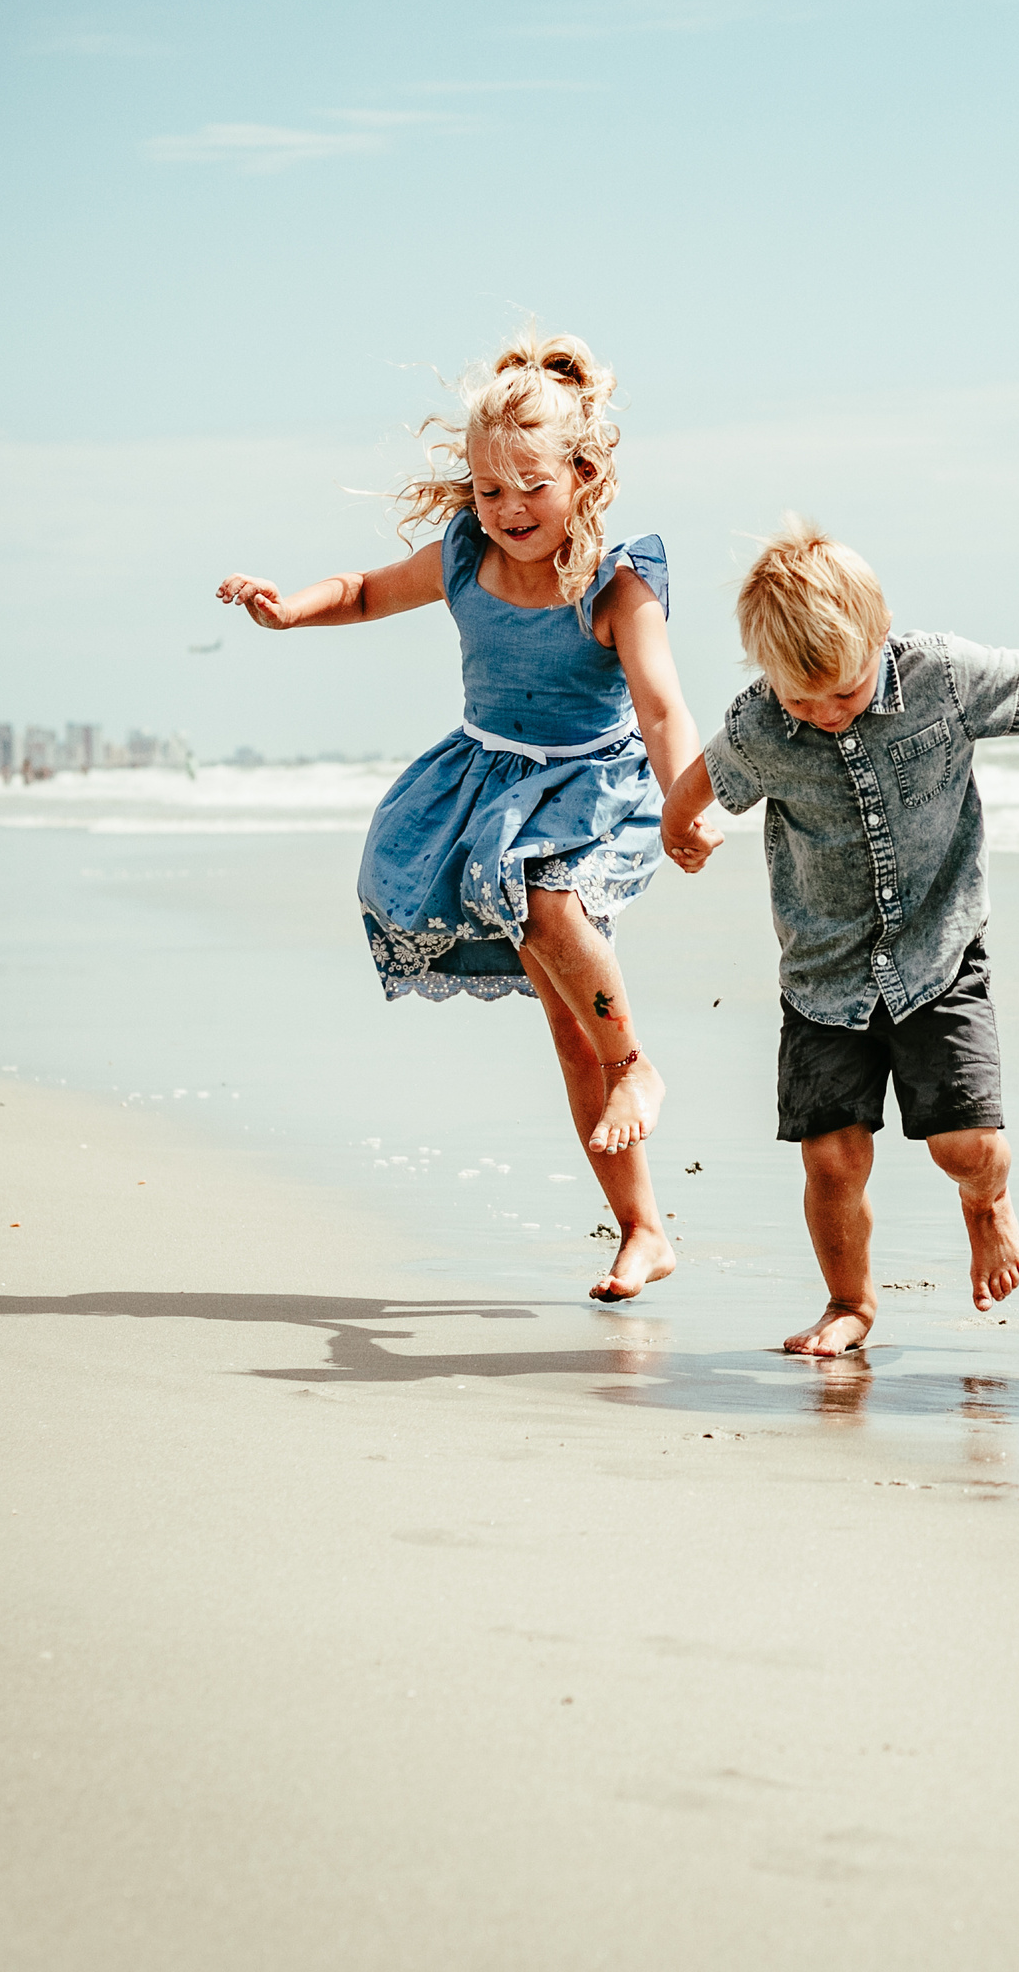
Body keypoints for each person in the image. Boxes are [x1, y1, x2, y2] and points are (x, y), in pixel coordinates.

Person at [216, 331, 702, 1305]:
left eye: (530, 484)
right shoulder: (462, 557)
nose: (508, 508)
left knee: (547, 902)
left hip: (592, 789)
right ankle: (644, 1228)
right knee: (567, 1033)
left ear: (585, 471)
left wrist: (689, 801)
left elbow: (658, 704)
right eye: (487, 489)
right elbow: (359, 591)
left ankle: (638, 1066)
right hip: (491, 786)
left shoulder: (617, 577)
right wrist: (288, 611)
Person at [660, 522, 1019, 1357]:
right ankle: (849, 1302)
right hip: (823, 978)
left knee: (968, 1147)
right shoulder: (760, 726)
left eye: (847, 694)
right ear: (767, 677)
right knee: (831, 1159)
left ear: (881, 631)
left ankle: (986, 1204)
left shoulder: (941, 674)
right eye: (801, 701)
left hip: (940, 953)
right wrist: (682, 826)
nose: (825, 715)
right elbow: (700, 779)